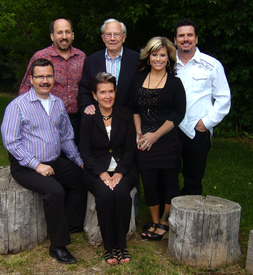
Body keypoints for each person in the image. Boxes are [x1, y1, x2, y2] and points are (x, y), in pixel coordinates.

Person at [1, 58, 87, 264]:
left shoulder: (58, 104)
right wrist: (36, 165)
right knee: (55, 190)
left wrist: (78, 160)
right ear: (31, 79)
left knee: (83, 179)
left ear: (54, 78)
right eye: (39, 77)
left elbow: (66, 136)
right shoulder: (18, 106)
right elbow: (11, 142)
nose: (44, 80)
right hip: (26, 166)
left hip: (54, 160)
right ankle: (57, 245)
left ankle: (69, 223)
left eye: (48, 76)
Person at [78, 18, 141, 217]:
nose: (112, 38)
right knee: (101, 156)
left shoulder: (137, 59)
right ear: (103, 37)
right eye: (108, 34)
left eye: (116, 34)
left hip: (129, 119)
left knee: (131, 162)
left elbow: (141, 90)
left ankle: (132, 211)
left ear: (124, 37)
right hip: (101, 120)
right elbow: (84, 90)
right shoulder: (92, 60)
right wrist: (87, 107)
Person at [130, 37, 186, 241]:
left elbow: (179, 113)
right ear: (148, 56)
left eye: (162, 55)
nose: (158, 59)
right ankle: (154, 221)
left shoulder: (175, 83)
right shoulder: (138, 79)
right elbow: (134, 109)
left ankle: (164, 222)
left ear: (169, 58)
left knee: (170, 183)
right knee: (149, 183)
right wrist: (139, 132)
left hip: (166, 141)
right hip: (143, 141)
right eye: (154, 54)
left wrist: (155, 135)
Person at [80, 72, 137, 265]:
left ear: (116, 92)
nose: (107, 96)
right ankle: (109, 246)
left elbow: (130, 149)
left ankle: (121, 245)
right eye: (102, 92)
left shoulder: (125, 115)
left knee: (121, 194)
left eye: (110, 91)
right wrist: (102, 173)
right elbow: (85, 152)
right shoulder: (88, 117)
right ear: (94, 95)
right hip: (96, 170)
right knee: (104, 196)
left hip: (124, 168)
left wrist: (119, 172)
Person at [174, 19, 231, 195]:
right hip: (169, 129)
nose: (185, 39)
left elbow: (224, 98)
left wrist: (205, 123)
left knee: (193, 178)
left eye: (189, 35)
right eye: (181, 35)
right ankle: (166, 215)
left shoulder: (211, 65)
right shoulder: (166, 64)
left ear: (196, 39)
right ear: (175, 40)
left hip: (197, 130)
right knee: (167, 175)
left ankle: (190, 215)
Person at [19, 18, 86, 145]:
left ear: (73, 35)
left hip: (76, 120)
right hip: (46, 120)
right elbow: (25, 88)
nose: (64, 36)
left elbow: (86, 87)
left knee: (75, 158)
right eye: (59, 32)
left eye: (67, 32)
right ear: (52, 36)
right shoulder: (40, 57)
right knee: (51, 158)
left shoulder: (81, 57)